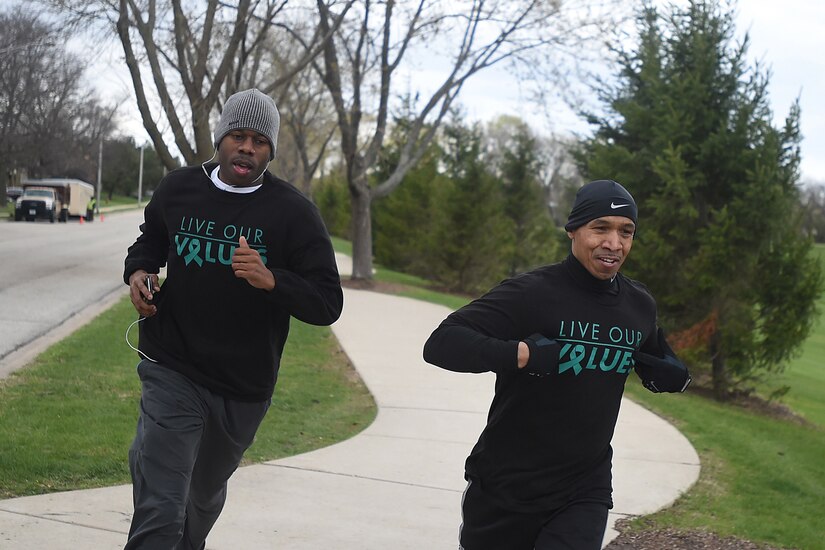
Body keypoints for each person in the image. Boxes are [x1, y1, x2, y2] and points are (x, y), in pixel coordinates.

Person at [122, 88, 343, 550]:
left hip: (242, 384)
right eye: (238, 136)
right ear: (221, 139)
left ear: (270, 151)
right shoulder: (179, 188)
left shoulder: (293, 213)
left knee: (200, 499)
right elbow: (150, 240)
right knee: (162, 503)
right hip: (172, 364)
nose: (247, 147)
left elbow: (327, 302)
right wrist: (140, 273)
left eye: (260, 140)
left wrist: (272, 281)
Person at [423, 179, 691, 550]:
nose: (614, 243)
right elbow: (441, 343)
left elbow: (652, 353)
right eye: (601, 228)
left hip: (584, 488)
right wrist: (522, 354)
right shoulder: (532, 292)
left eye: (625, 232)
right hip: (506, 485)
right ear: (573, 231)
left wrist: (670, 373)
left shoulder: (639, 304)